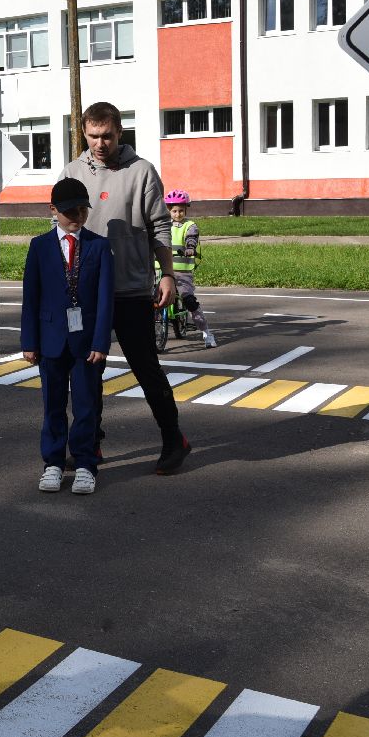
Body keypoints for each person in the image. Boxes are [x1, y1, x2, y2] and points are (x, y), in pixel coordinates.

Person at [61, 102, 193, 475]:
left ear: (120, 133)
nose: (99, 143)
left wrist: (167, 274)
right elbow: (62, 228)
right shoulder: (73, 173)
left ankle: (174, 439)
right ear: (83, 134)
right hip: (85, 293)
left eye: (106, 136)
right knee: (88, 375)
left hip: (131, 290)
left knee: (146, 369)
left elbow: (160, 227)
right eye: (92, 136)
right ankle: (91, 445)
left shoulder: (142, 172)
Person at [22, 178, 114, 495]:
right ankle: (53, 464)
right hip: (50, 341)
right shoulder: (39, 246)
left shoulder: (100, 247)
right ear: (53, 210)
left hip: (86, 342)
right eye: (67, 210)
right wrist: (29, 342)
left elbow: (105, 300)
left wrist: (101, 342)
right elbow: (30, 298)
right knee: (53, 405)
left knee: (87, 406)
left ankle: (86, 464)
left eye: (80, 209)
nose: (75, 215)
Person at [165, 190, 217, 348]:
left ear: (186, 210)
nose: (178, 213)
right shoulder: (164, 225)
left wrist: (190, 248)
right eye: (174, 210)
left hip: (182, 271)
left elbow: (191, 239)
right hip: (160, 269)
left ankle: (206, 332)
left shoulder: (190, 226)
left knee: (189, 300)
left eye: (181, 210)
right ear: (169, 210)